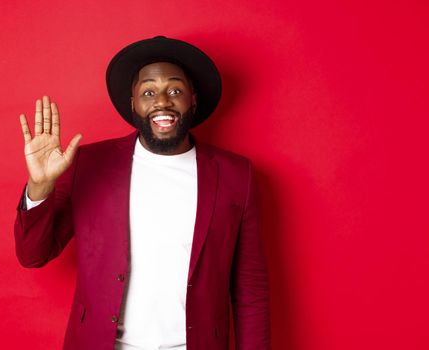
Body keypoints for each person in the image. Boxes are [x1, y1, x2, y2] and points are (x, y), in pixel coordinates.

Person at [14, 36, 270, 350]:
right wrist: (40, 186)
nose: (162, 101)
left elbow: (250, 289)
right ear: (133, 102)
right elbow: (32, 255)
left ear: (193, 100)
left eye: (175, 90)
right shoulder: (88, 164)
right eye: (148, 92)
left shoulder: (236, 176)